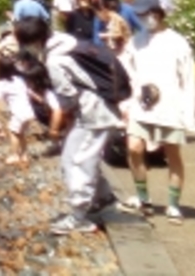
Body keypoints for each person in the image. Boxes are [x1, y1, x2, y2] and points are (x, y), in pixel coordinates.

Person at [14, 15, 122, 234]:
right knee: (77, 155)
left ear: (32, 41)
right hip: (98, 108)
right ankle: (103, 197)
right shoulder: (65, 41)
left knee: (77, 160)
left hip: (94, 113)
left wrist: (57, 124)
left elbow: (67, 98)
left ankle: (80, 216)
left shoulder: (55, 60)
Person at [119, 0, 195, 222]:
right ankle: (144, 199)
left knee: (172, 152)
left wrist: (188, 112)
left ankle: (173, 204)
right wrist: (126, 103)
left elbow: (188, 79)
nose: (143, 19)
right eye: (140, 15)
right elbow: (128, 73)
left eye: (146, 14)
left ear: (157, 13)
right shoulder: (136, 41)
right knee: (134, 147)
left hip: (170, 105)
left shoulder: (177, 42)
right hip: (141, 105)